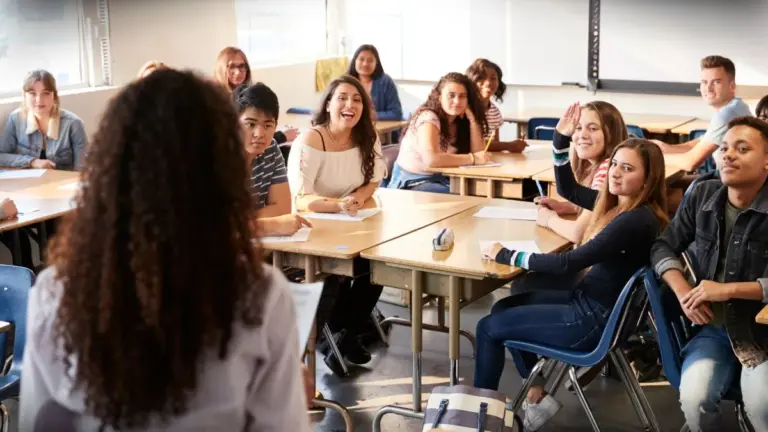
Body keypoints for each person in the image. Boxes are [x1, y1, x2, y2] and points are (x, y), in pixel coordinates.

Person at [20, 69, 311, 431]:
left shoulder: (55, 293)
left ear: (112, 170)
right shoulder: (261, 296)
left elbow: (39, 424)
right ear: (221, 171)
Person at [475, 135, 668, 431]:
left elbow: (569, 262)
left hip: (589, 321)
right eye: (614, 164)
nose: (615, 172)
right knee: (501, 309)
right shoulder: (626, 207)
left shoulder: (633, 220)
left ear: (647, 179)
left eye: (628, 169)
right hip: (592, 308)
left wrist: (508, 255)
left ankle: (477, 419)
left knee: (487, 328)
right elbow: (569, 190)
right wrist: (560, 142)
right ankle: (536, 395)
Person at [650, 116, 768, 431]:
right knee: (695, 400)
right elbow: (662, 247)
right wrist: (683, 291)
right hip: (713, 332)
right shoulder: (704, 196)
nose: (728, 155)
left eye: (742, 149)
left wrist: (726, 290)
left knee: (763, 407)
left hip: (762, 335)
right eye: (725, 147)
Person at [286, 75, 386, 374]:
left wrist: (357, 196)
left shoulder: (367, 136)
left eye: (356, 99)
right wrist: (337, 206)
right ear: (328, 104)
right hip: (315, 226)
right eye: (342, 97)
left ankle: (342, 336)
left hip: (353, 221)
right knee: (336, 275)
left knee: (377, 267)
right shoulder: (311, 140)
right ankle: (339, 338)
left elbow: (374, 179)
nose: (350, 104)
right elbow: (301, 198)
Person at [537, 101, 628, 243]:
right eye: (578, 128)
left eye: (592, 128)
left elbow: (578, 234)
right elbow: (601, 203)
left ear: (611, 133)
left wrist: (549, 219)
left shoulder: (608, 169)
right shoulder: (605, 164)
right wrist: (567, 207)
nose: (583, 135)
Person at [388, 72, 489, 193]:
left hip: (439, 180)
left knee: (477, 192)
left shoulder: (460, 122)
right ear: (439, 97)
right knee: (463, 196)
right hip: (411, 182)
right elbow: (432, 160)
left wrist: (473, 120)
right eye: (451, 95)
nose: (457, 101)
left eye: (462, 96)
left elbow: (479, 155)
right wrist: (472, 158)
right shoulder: (428, 118)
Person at [234, 82, 311, 236]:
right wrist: (269, 225)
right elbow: (215, 226)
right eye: (250, 124)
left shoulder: (270, 148)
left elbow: (282, 208)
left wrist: (244, 224)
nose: (260, 133)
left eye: (268, 125)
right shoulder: (217, 156)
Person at [653, 56, 751, 174]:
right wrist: (666, 148)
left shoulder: (726, 114)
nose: (708, 88)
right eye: (704, 82)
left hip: (732, 186)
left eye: (716, 82)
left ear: (732, 86)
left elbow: (690, 163)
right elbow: (701, 143)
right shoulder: (737, 105)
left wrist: (651, 158)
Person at [0, 69, 87, 170]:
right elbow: (1, 156)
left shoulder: (74, 124)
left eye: (45, 93)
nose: (39, 100)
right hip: (31, 183)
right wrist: (32, 162)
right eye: (32, 93)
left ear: (54, 96)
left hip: (64, 183)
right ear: (25, 96)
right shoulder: (15, 119)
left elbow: (82, 169)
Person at [215, 47, 298, 144]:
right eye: (232, 67)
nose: (238, 72)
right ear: (221, 69)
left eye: (242, 66)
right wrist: (282, 136)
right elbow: (242, 141)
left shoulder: (251, 94)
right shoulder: (216, 101)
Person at [465, 58, 527, 152]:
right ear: (472, 81)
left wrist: (512, 146)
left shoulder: (495, 111)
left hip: (488, 162)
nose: (488, 82)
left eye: (493, 78)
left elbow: (495, 144)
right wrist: (509, 145)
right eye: (481, 78)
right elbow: (470, 143)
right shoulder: (465, 110)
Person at [346, 44, 403, 122]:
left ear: (376, 63)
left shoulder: (385, 82)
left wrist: (372, 115)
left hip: (380, 130)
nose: (365, 64)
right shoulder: (346, 82)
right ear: (354, 61)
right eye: (361, 59)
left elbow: (396, 113)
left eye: (370, 60)